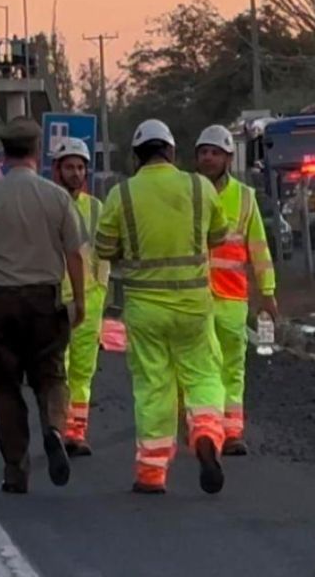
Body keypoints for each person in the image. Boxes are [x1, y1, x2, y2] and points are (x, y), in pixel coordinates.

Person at [95, 119, 230, 495]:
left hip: (145, 309)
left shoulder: (121, 195)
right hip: (193, 306)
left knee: (154, 385)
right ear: (170, 151)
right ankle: (205, 435)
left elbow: (104, 248)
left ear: (137, 157)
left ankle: (152, 473)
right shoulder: (199, 187)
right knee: (204, 374)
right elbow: (218, 236)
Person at [0, 117, 85, 494]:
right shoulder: (57, 197)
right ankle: (55, 429)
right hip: (45, 301)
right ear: (37, 152)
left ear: (3, 153)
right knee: (52, 376)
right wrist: (79, 300)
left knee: (6, 386)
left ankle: (15, 469)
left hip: (1, 305)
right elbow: (74, 255)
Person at [193, 125, 277, 456]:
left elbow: (258, 246)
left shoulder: (244, 197)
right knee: (200, 367)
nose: (209, 158)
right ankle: (205, 429)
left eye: (215, 152)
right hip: (194, 297)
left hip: (231, 298)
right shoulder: (189, 192)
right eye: (203, 152)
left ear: (228, 157)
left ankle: (232, 432)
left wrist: (267, 291)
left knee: (232, 366)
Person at [51, 138, 109, 457]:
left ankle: (76, 432)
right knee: (58, 368)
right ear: (56, 170)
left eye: (80, 167)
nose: (75, 173)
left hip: (88, 302)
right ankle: (57, 429)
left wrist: (98, 292)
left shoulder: (96, 208)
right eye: (69, 167)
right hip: (53, 301)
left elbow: (104, 255)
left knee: (83, 371)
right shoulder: (47, 204)